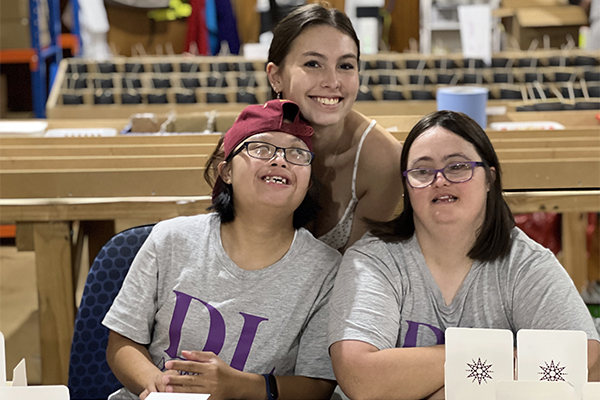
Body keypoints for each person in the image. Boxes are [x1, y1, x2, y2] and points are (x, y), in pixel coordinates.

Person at [327, 110, 600, 399]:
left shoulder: (525, 264)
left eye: (457, 166)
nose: (440, 180)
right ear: (407, 186)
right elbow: (361, 378)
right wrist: (504, 360)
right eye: (422, 171)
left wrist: (443, 390)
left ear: (489, 178)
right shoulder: (373, 260)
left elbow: (581, 356)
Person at [103, 100, 341, 400]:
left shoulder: (326, 270)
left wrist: (238, 387)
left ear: (307, 181)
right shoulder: (171, 239)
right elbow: (122, 341)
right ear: (225, 171)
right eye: (262, 148)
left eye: (297, 153)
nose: (280, 160)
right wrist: (160, 388)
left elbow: (317, 384)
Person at [265, 3, 403, 252]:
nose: (332, 82)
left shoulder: (383, 160)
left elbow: (358, 269)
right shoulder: (251, 145)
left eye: (345, 66)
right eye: (313, 64)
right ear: (276, 76)